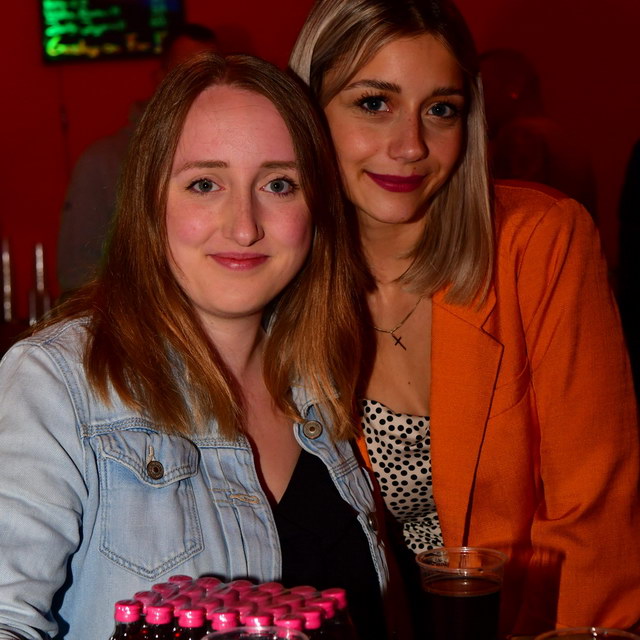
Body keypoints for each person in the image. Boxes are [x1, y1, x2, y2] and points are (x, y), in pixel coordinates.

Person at [0, 53, 388, 640]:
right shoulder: (56, 384)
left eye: (278, 184)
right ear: (150, 202)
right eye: (205, 184)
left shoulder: (324, 381)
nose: (244, 226)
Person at [289, 0, 640, 636]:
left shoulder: (537, 244)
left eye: (440, 110)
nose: (411, 145)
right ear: (307, 112)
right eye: (375, 103)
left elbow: (594, 515)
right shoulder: (274, 278)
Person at [56, 23, 219, 295]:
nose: (199, 87)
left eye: (210, 75)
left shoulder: (233, 158)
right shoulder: (104, 161)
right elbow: (78, 277)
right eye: (185, 74)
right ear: (160, 77)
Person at [479, 48, 598, 217]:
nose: (478, 99)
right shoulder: (561, 136)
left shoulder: (522, 137)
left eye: (485, 87)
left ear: (514, 87)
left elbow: (516, 211)